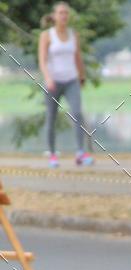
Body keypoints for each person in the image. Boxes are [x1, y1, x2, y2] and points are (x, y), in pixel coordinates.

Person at [38, 2, 93, 168]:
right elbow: (42, 59)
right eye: (61, 13)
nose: (64, 16)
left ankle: (80, 153)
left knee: (77, 113)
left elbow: (78, 57)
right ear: (54, 16)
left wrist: (82, 76)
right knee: (51, 118)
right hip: (53, 82)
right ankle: (53, 155)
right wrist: (48, 78)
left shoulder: (73, 34)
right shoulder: (47, 35)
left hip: (71, 80)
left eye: (66, 13)